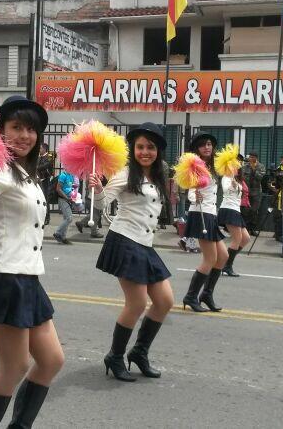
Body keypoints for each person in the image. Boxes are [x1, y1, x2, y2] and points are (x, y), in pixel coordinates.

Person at [0, 95, 63, 428]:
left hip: (28, 278)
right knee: (14, 367)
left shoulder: (25, 173)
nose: (24, 136)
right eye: (16, 127)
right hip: (4, 277)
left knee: (51, 361)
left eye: (31, 130)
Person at [90, 122, 174, 382]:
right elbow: (103, 202)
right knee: (136, 303)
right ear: (133, 149)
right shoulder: (126, 173)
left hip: (145, 244)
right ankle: (115, 356)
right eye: (140, 147)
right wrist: (97, 189)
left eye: (150, 147)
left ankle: (139, 352)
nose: (145, 152)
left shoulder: (159, 174)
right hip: (125, 240)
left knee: (164, 301)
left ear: (158, 150)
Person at [181, 132, 227, 313]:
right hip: (200, 214)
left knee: (222, 257)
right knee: (210, 258)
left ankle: (206, 294)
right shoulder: (194, 166)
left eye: (209, 144)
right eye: (203, 145)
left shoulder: (213, 166)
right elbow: (190, 190)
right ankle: (191, 296)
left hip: (211, 214)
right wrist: (194, 197)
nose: (207, 147)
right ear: (197, 148)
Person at [218, 160, 250, 277]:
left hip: (236, 210)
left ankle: (224, 260)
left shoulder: (237, 179)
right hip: (228, 209)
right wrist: (232, 183)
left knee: (245, 238)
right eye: (234, 167)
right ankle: (227, 266)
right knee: (237, 239)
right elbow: (225, 190)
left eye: (237, 167)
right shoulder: (226, 178)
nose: (237, 168)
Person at [240, 151, 265, 236]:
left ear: (255, 158)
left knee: (254, 211)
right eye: (249, 157)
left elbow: (260, 178)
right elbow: (241, 177)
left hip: (256, 192)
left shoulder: (261, 166)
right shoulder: (245, 166)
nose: (250, 159)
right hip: (246, 192)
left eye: (252, 157)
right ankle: (245, 229)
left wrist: (253, 169)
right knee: (245, 211)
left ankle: (253, 229)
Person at [268, 155, 283, 242]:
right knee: (277, 215)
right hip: (277, 196)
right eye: (282, 159)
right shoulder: (276, 170)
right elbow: (270, 182)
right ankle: (278, 234)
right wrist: (274, 189)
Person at [53, 168, 75, 244]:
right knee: (69, 218)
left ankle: (63, 237)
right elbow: (58, 189)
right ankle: (57, 232)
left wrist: (73, 196)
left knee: (66, 218)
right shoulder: (63, 175)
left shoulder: (71, 175)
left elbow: (70, 187)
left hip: (68, 199)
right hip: (63, 199)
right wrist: (67, 198)